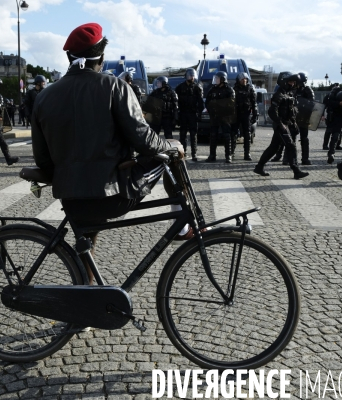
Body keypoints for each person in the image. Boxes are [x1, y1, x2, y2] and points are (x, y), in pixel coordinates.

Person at [31, 23, 189, 283]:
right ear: (101, 59)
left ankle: (84, 305)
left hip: (70, 196)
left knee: (86, 237)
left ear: (69, 58)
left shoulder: (45, 96)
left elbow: (43, 159)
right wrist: (171, 145)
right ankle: (182, 225)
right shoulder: (115, 87)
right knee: (170, 152)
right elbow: (145, 142)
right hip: (113, 195)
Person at [254, 71, 309, 179]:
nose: (292, 84)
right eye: (290, 81)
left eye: (293, 82)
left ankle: (259, 167)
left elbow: (292, 111)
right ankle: (296, 170)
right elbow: (272, 111)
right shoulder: (279, 94)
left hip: (287, 124)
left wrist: (294, 124)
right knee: (291, 146)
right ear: (284, 82)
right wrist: (280, 123)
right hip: (281, 125)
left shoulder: (289, 93)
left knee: (273, 148)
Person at [204, 71, 235, 163]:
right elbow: (207, 102)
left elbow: (232, 103)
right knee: (213, 135)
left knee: (226, 136)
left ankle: (228, 155)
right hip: (215, 116)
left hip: (225, 116)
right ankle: (212, 155)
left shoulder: (229, 90)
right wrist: (210, 108)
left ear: (222, 79)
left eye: (217, 78)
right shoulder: (212, 90)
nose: (216, 80)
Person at [175, 68, 204, 161]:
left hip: (192, 114)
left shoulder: (197, 87)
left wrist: (199, 113)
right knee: (182, 134)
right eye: (189, 75)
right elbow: (175, 101)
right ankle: (183, 152)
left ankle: (194, 153)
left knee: (193, 134)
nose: (191, 77)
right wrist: (177, 112)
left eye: (192, 75)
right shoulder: (180, 87)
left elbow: (200, 103)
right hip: (183, 113)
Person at [232, 72, 257, 161]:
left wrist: (255, 114)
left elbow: (254, 103)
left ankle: (247, 153)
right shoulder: (234, 89)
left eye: (245, 79)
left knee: (247, 134)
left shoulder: (250, 89)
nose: (244, 80)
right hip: (237, 114)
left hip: (246, 114)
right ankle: (231, 153)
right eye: (242, 79)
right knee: (234, 133)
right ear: (239, 80)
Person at [295, 72, 314, 164]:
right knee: (291, 137)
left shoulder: (308, 90)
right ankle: (289, 158)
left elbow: (312, 103)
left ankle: (305, 158)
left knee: (304, 138)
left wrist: (303, 106)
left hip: (303, 116)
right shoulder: (293, 89)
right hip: (294, 116)